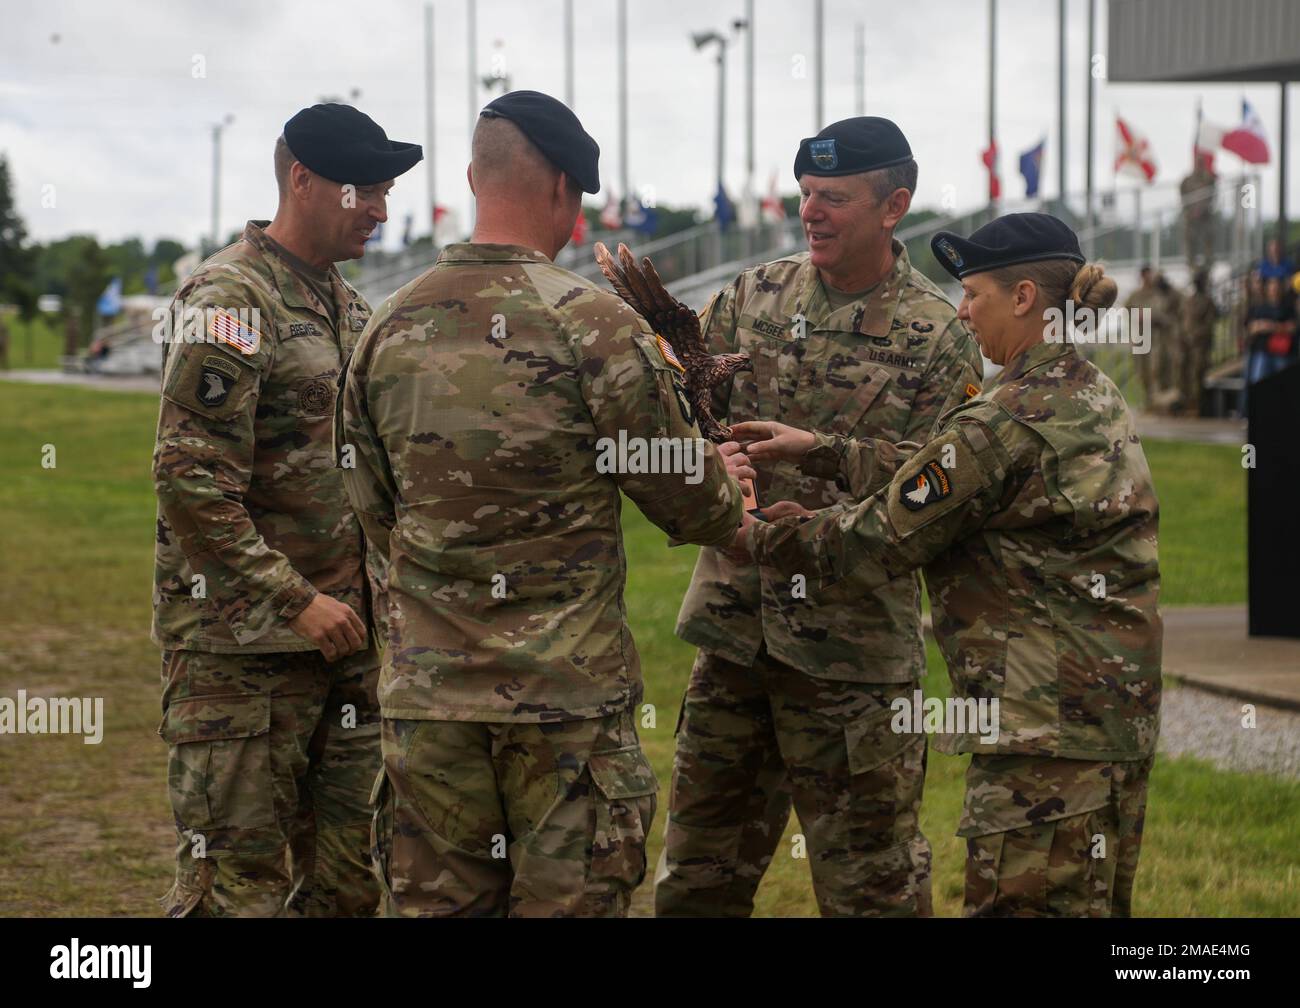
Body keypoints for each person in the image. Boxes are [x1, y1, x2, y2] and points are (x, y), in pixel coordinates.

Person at [338, 90, 745, 918]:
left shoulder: (385, 327)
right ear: (563, 187)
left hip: (430, 705)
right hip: (564, 710)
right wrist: (725, 481)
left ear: (470, 177)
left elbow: (373, 504)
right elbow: (691, 505)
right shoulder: (596, 325)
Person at [732, 213, 1162, 917]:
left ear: (1024, 297)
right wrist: (824, 448)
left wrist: (754, 536)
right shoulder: (1085, 391)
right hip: (1104, 719)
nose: (961, 312)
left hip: (1041, 732)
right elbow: (952, 481)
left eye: (973, 294)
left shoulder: (1006, 418)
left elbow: (882, 536)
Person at [656, 117, 983, 918]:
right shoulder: (756, 296)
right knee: (696, 881)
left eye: (834, 197)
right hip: (735, 637)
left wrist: (829, 449)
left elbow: (941, 494)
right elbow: (694, 415)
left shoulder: (938, 339)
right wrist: (701, 460)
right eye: (806, 194)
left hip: (854, 662)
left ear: (893, 205)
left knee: (871, 890)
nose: (812, 212)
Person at [152, 103, 421, 917]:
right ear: (301, 180)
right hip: (244, 656)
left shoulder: (350, 310)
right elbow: (188, 477)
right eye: (362, 191)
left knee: (347, 886)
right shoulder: (230, 298)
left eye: (383, 193)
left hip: (347, 648)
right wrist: (295, 601)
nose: (378, 210)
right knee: (233, 893)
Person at [1179, 269, 1218, 416]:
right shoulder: (1189, 300)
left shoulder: (1207, 301)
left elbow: (1209, 325)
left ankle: (1197, 407)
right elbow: (1183, 321)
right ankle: (1187, 404)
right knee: (1184, 373)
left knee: (1198, 374)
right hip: (1186, 344)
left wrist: (1195, 336)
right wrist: (1184, 337)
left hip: (1200, 345)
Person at [1179, 156, 1215, 270]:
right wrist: (1190, 210)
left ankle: (1208, 262)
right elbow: (1183, 195)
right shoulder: (1187, 180)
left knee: (1208, 238)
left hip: (1205, 216)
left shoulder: (1208, 178)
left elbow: (1212, 194)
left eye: (1201, 162)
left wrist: (1202, 208)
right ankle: (1191, 263)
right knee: (1190, 240)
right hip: (1191, 216)